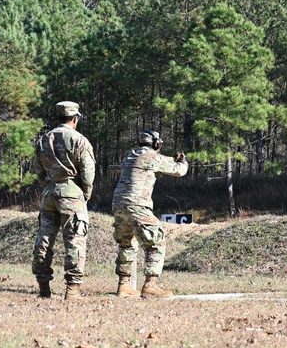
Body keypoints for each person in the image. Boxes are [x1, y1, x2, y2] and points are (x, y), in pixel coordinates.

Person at [111, 130, 188, 298]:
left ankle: (123, 285)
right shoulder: (153, 157)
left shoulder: (129, 156)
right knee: (157, 241)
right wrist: (183, 161)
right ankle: (150, 285)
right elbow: (179, 171)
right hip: (137, 205)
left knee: (126, 243)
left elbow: (156, 159)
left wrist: (170, 158)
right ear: (156, 144)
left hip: (118, 205)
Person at [32, 101, 96, 300]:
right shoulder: (80, 140)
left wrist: (49, 185)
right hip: (72, 192)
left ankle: (44, 287)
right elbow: (88, 174)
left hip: (49, 192)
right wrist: (84, 194)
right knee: (74, 240)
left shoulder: (44, 139)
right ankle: (72, 289)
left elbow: (38, 170)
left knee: (44, 239)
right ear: (75, 119)